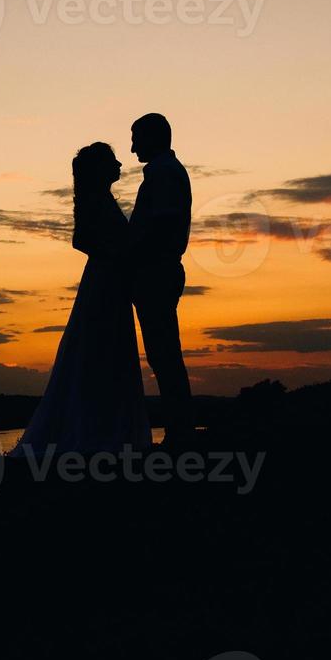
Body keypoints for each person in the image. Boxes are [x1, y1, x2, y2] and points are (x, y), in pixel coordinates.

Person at [16, 143, 151, 455]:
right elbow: (81, 240)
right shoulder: (93, 200)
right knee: (98, 350)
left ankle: (107, 428)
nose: (120, 163)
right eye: (112, 161)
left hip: (111, 281)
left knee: (109, 351)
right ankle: (92, 433)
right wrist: (118, 255)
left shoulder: (103, 199)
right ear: (100, 168)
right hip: (103, 281)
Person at [128, 114, 195, 449]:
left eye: (136, 138)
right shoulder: (164, 172)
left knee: (164, 353)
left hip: (157, 272)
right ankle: (180, 428)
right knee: (163, 353)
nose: (131, 147)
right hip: (157, 271)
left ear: (154, 137)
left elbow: (160, 226)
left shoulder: (164, 173)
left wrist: (133, 254)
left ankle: (180, 432)